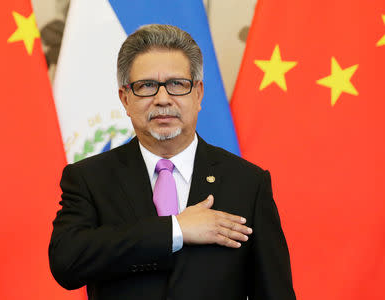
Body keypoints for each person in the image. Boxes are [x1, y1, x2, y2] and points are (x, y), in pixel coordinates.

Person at [49, 24, 296, 300]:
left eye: (177, 84)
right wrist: (175, 229)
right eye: (146, 86)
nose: (162, 99)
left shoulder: (247, 183)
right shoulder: (90, 178)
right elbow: (66, 261)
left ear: (198, 94)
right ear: (125, 98)